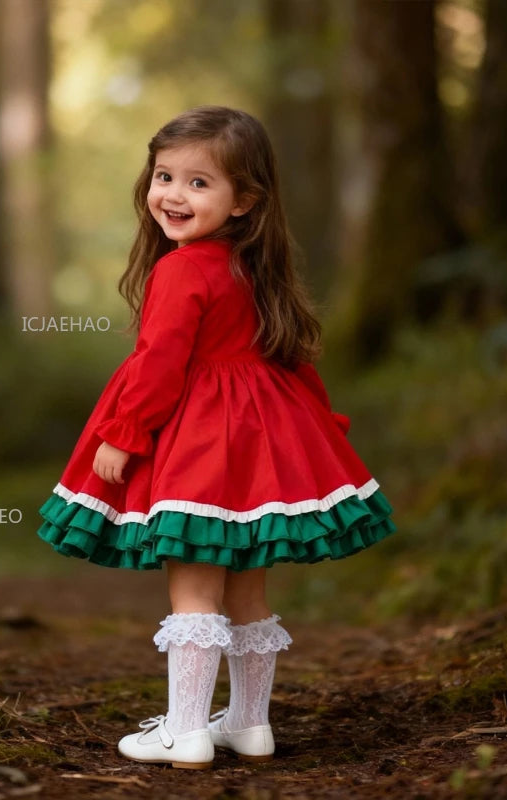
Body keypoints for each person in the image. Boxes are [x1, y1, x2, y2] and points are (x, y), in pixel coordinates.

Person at [37, 106, 395, 769]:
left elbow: (160, 365)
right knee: (247, 589)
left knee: (195, 588)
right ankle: (250, 725)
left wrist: (123, 433)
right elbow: (290, 363)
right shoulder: (256, 266)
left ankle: (187, 730)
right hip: (258, 447)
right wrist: (321, 430)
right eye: (164, 175)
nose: (172, 194)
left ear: (245, 200)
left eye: (199, 183)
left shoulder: (182, 270)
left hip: (199, 449)